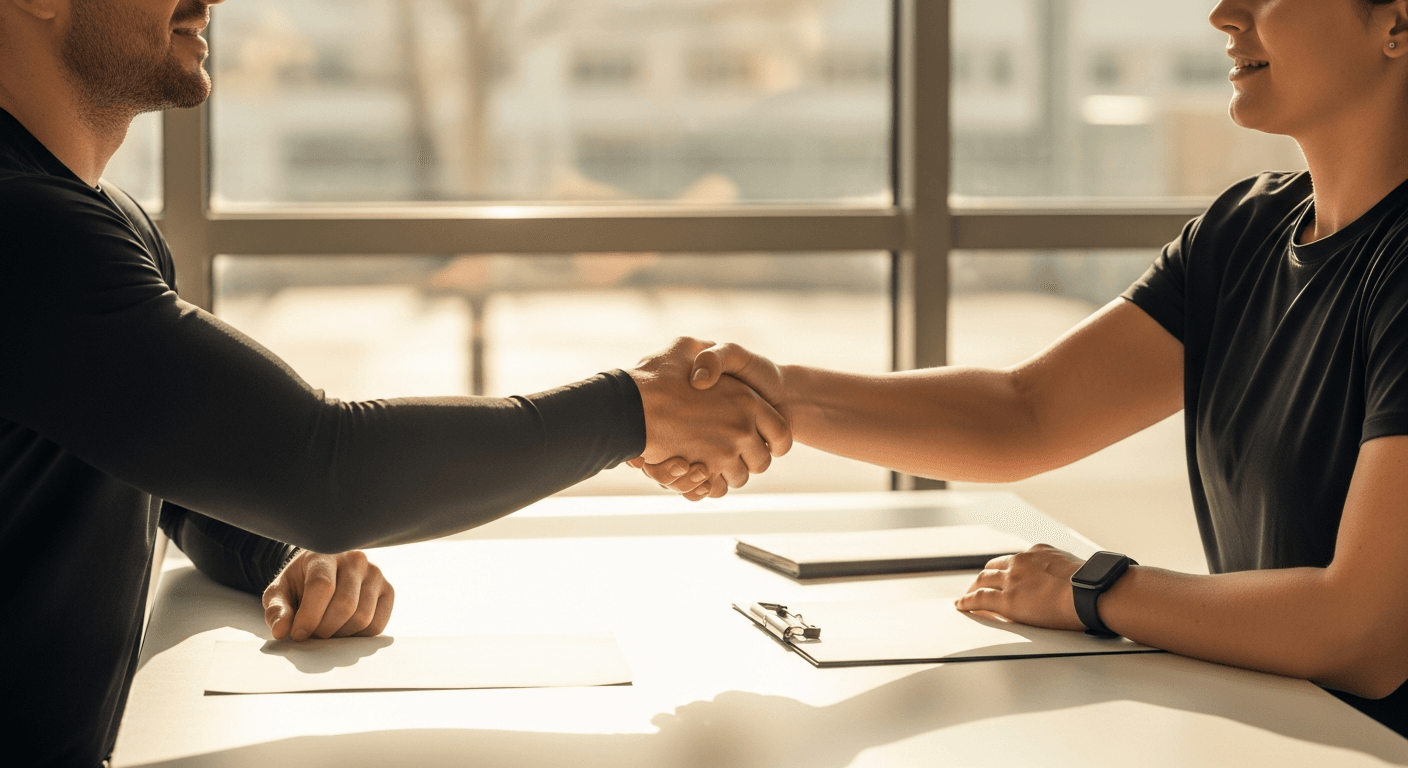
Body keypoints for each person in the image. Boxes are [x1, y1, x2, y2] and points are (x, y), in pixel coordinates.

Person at [0, 0, 787, 765]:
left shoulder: (108, 222)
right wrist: (635, 411)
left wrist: (281, 553)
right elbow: (324, 466)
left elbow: (169, 473)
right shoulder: (25, 229)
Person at [641, 0, 1408, 738]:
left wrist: (1096, 590)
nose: (1222, 14)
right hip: (1295, 733)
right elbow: (1027, 411)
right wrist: (780, 397)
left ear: (1397, 21)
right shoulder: (1243, 231)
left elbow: (1363, 635)